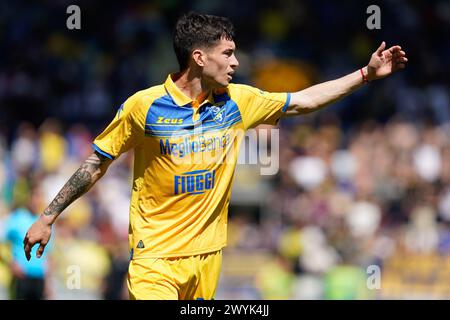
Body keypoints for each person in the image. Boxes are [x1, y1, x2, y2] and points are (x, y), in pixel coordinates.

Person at [23, 12, 408, 300]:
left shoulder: (237, 101)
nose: (236, 63)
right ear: (199, 58)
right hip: (155, 260)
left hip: (208, 258)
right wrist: (48, 216)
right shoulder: (144, 107)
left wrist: (364, 75)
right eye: (228, 53)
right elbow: (96, 162)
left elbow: (304, 101)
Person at [1, 182, 52, 299]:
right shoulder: (15, 218)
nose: (37, 200)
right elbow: (2, 243)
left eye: (40, 196)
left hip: (39, 278)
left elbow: (49, 253)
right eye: (35, 196)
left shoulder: (45, 223)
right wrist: (10, 263)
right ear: (29, 197)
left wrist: (48, 280)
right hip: (21, 277)